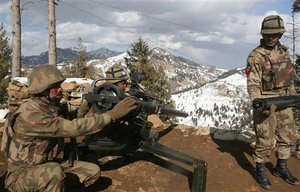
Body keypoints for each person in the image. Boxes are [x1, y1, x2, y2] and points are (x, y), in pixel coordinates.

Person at [0, 64, 137, 192]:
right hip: (22, 173)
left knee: (92, 171)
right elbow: (73, 128)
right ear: (43, 90)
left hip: (44, 164)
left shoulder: (49, 106)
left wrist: (87, 103)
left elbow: (71, 118)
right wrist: (111, 115)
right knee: (54, 173)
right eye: (56, 86)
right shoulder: (31, 115)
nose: (61, 89)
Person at [246, 15, 299, 190]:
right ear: (263, 34)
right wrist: (256, 101)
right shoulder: (256, 56)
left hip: (285, 100)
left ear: (280, 34)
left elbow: (290, 77)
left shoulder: (283, 52)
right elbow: (253, 82)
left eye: (276, 34)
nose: (272, 37)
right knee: (265, 140)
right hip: (266, 101)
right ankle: (260, 169)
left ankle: (281, 167)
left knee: (287, 137)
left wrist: (294, 95)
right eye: (269, 34)